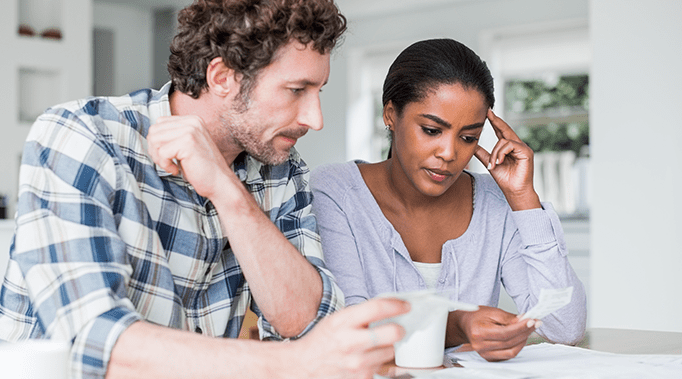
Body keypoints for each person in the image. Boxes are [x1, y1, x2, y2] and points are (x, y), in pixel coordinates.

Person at [0, 1, 409, 378]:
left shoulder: (280, 169)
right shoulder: (83, 135)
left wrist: (227, 190)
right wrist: (296, 363)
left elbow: (308, 322)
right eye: (296, 90)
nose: (315, 118)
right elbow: (93, 341)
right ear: (223, 77)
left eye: (319, 92)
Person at [310, 38, 587, 362]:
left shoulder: (493, 202)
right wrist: (455, 325)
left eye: (468, 137)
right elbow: (350, 331)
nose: (450, 153)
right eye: (430, 130)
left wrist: (523, 198)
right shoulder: (337, 191)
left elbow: (565, 328)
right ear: (390, 115)